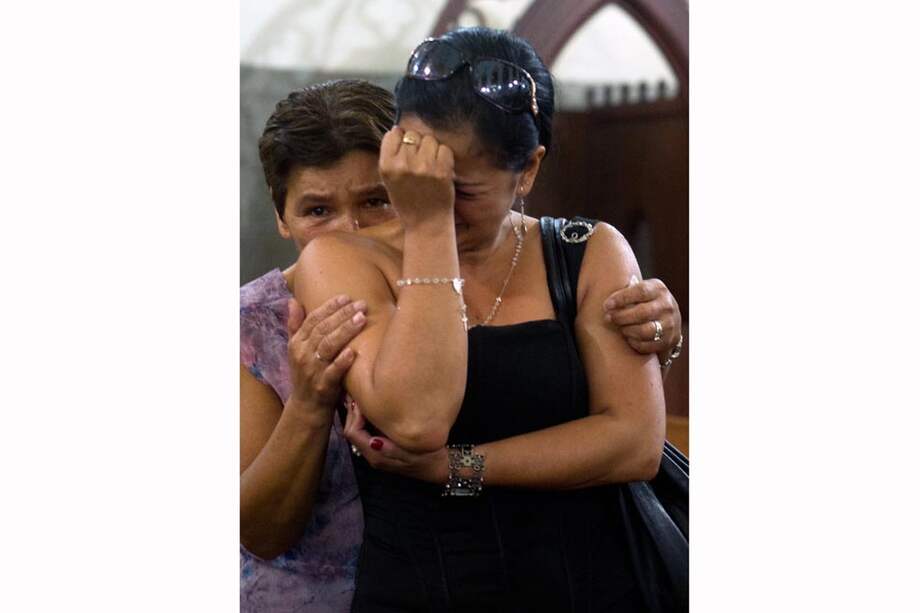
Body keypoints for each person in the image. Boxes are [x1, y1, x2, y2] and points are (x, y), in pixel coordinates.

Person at [241, 76, 683, 610]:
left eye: (376, 201)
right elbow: (259, 532)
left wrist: (655, 340)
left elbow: (588, 420)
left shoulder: (483, 277)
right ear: (280, 215)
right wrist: (310, 405)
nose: (347, 230)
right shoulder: (249, 325)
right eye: (318, 211)